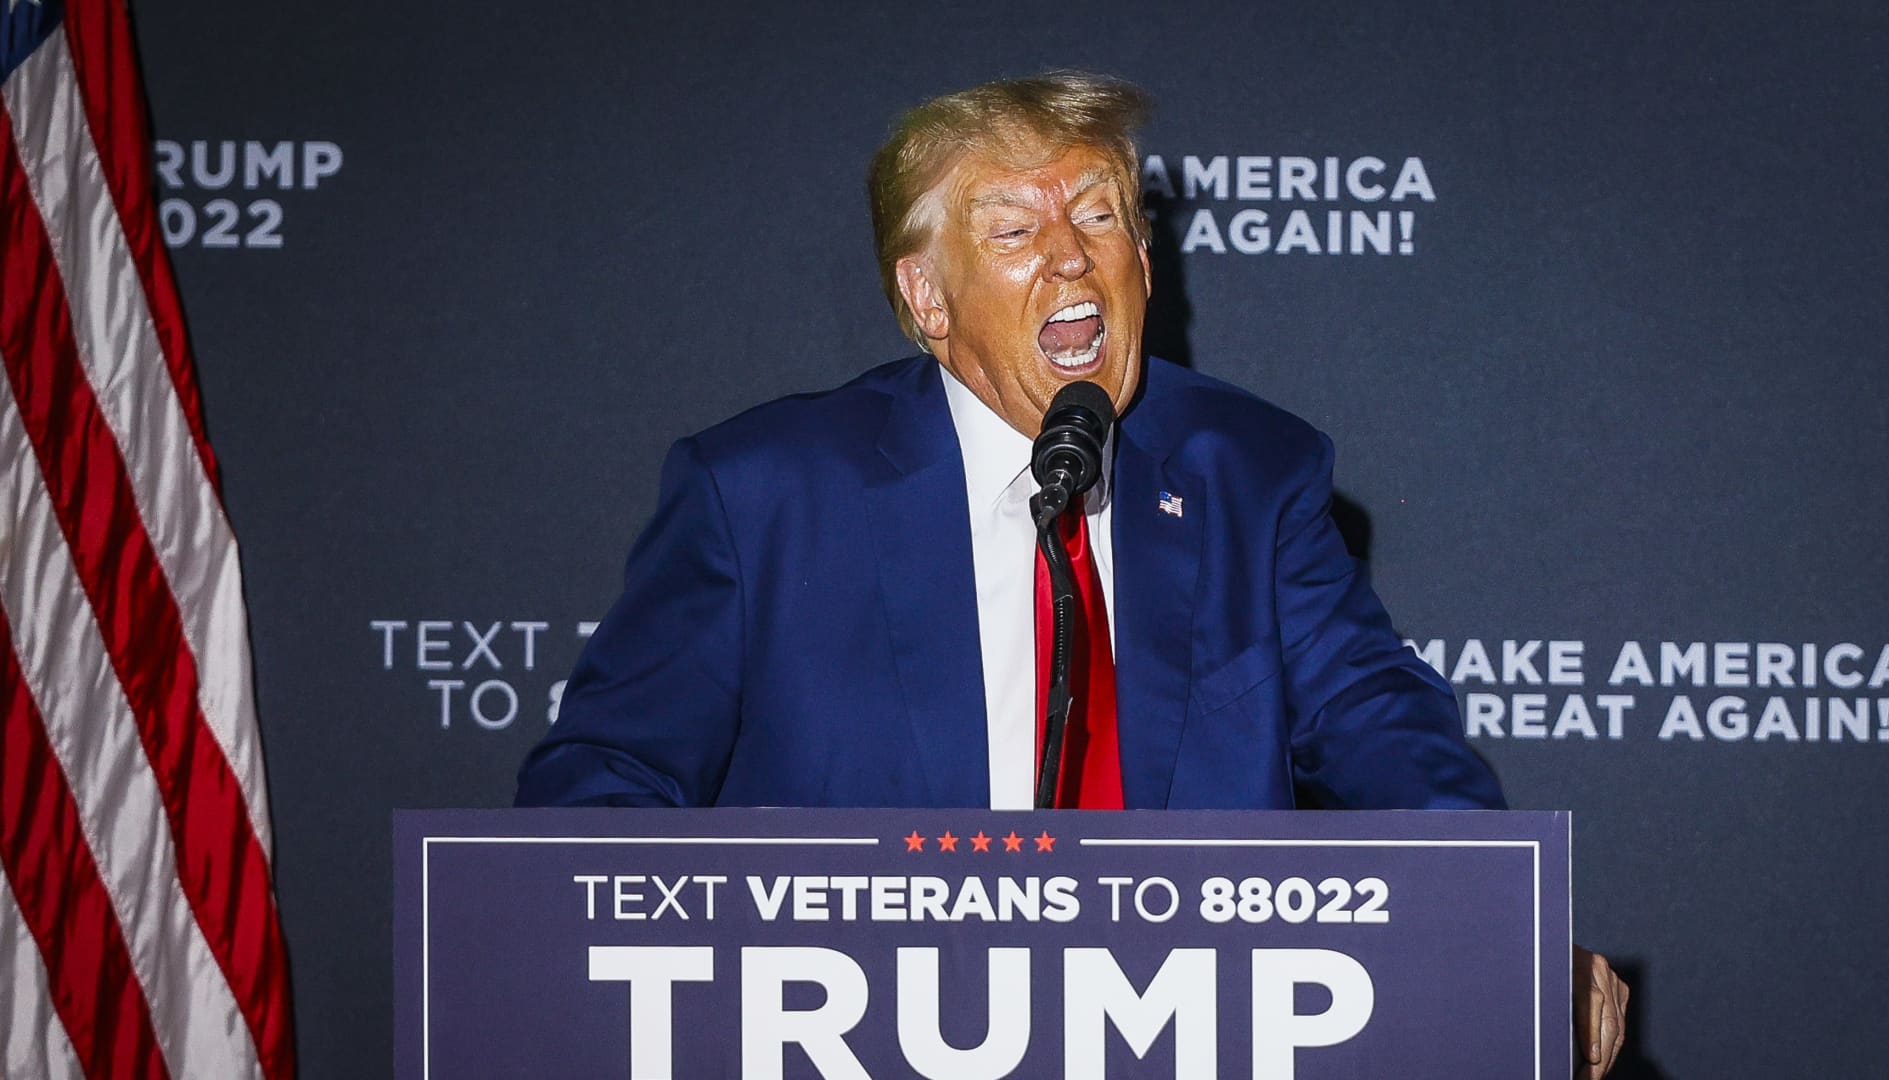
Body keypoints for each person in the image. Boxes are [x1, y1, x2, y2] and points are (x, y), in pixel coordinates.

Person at [516, 71, 1626, 1076]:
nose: (1070, 256)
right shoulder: (763, 493)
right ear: (927, 298)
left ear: (1144, 258)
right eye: (1013, 228)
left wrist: (1498, 924)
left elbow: (1380, 728)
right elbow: (604, 785)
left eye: (1099, 216)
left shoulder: (1251, 472)